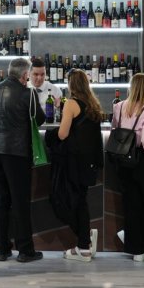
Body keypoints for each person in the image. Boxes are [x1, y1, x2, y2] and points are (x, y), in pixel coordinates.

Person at [0, 57, 45, 263]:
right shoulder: (28, 94)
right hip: (17, 152)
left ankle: (1, 249)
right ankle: (25, 250)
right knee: (20, 201)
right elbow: (39, 119)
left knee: (0, 200)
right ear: (25, 74)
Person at [51, 69, 103, 262]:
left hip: (74, 161)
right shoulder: (93, 104)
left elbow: (62, 134)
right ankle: (85, 240)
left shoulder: (71, 103)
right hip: (89, 162)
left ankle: (83, 246)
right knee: (81, 201)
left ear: (71, 84)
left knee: (65, 201)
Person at [112, 73, 144, 261]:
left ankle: (134, 247)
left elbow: (114, 129)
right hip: (141, 160)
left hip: (122, 160)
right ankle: (140, 246)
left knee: (131, 204)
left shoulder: (118, 106)